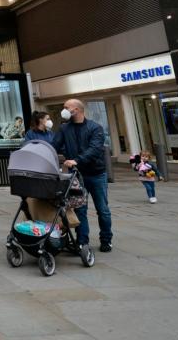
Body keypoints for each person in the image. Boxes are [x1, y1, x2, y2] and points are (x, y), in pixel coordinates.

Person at [51, 98, 113, 252]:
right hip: (76, 176)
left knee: (103, 209)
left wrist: (76, 160)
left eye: (66, 107)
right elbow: (54, 145)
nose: (63, 109)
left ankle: (106, 240)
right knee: (80, 209)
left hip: (96, 174)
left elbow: (95, 149)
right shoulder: (65, 128)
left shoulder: (95, 128)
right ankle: (82, 241)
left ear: (76, 110)